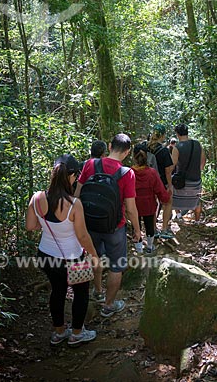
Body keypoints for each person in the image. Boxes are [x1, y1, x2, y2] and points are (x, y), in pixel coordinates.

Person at [26, 154, 99, 347]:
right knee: (81, 293)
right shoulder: (74, 204)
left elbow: (31, 226)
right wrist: (94, 255)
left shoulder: (37, 197)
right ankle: (76, 333)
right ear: (73, 175)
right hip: (72, 257)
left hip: (45, 255)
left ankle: (58, 332)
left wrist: (49, 225)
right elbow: (83, 236)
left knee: (57, 291)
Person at [74, 133, 141, 317]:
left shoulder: (90, 164)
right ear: (127, 152)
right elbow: (130, 208)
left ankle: (97, 290)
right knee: (117, 266)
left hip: (90, 223)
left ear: (109, 146)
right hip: (115, 227)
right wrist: (137, 229)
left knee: (95, 256)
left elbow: (77, 195)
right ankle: (109, 305)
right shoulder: (127, 173)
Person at [132, 143, 171, 253]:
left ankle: (138, 249)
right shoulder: (152, 173)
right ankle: (149, 247)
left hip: (134, 206)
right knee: (149, 226)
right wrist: (166, 198)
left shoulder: (130, 172)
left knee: (136, 226)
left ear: (133, 156)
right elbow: (159, 189)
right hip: (149, 205)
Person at [171, 124, 206, 221]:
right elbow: (203, 159)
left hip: (181, 182)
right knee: (197, 200)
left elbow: (172, 164)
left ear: (177, 134)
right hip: (196, 179)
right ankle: (197, 221)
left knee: (173, 197)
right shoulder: (197, 144)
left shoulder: (177, 147)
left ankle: (178, 216)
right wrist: (198, 170)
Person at [147, 124, 174, 238]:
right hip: (161, 181)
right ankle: (164, 229)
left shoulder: (145, 147)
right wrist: (170, 185)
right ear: (162, 136)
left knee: (153, 205)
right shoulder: (164, 150)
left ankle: (153, 229)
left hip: (147, 181)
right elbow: (168, 171)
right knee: (168, 202)